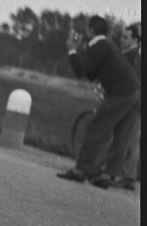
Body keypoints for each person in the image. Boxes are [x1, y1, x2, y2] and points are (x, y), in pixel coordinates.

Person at [57, 15, 140, 187]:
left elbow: (80, 71)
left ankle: (81, 171)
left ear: (92, 30)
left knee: (95, 128)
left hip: (121, 93)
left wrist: (72, 50)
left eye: (87, 28)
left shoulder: (98, 45)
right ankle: (110, 176)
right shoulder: (105, 45)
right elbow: (91, 73)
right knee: (121, 135)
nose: (85, 31)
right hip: (133, 92)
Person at [114, 21, 141, 190]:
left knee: (131, 139)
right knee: (131, 139)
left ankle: (129, 177)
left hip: (134, 103)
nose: (122, 40)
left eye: (126, 37)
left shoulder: (133, 56)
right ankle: (127, 174)